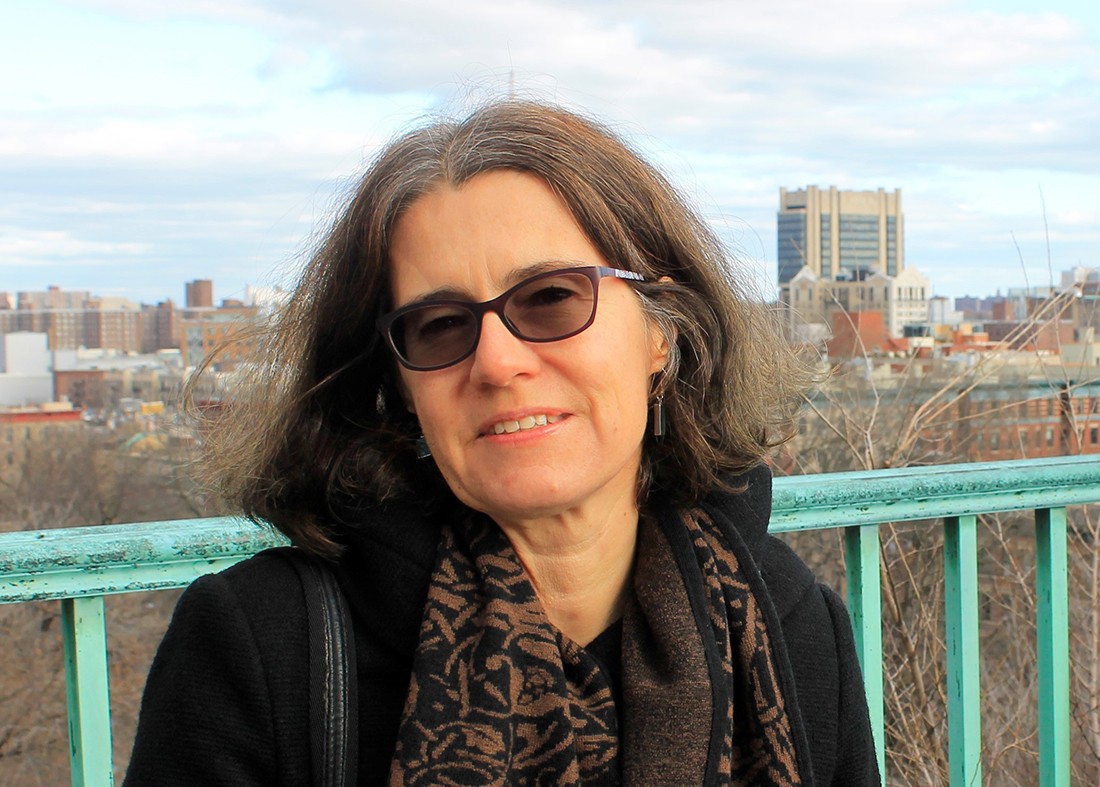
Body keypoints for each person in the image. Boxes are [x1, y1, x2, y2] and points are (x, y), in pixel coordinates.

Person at [126, 100, 879, 786]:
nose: (496, 361)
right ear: (398, 387)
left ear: (662, 330)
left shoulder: (787, 623)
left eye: (551, 297)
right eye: (440, 324)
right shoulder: (266, 648)